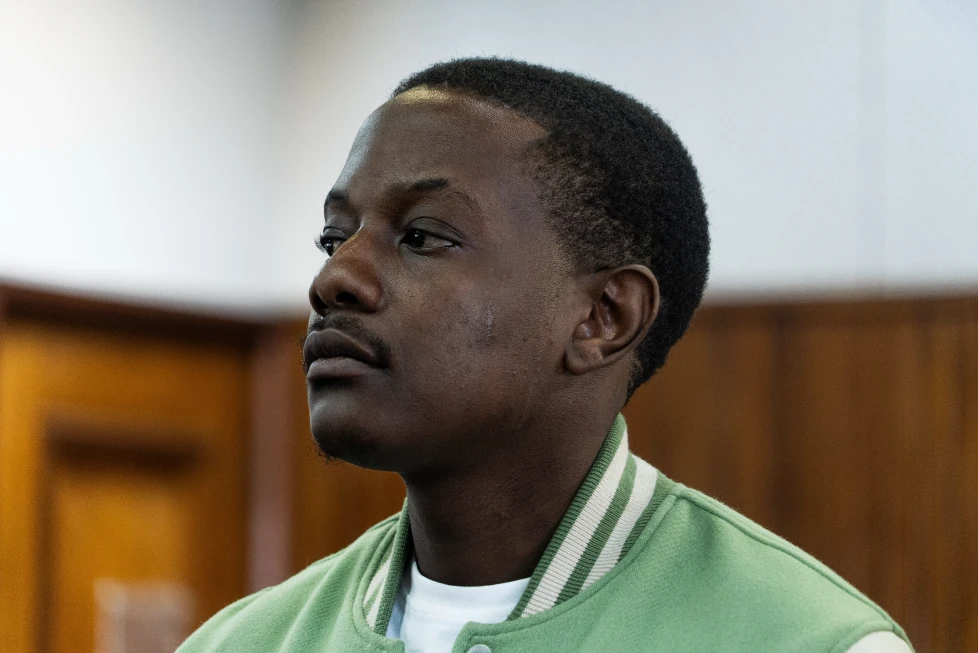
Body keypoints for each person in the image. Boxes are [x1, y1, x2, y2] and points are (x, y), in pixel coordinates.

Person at [177, 58, 913, 653]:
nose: (334, 278)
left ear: (603, 317)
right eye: (334, 238)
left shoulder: (806, 641)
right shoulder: (239, 643)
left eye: (423, 236)